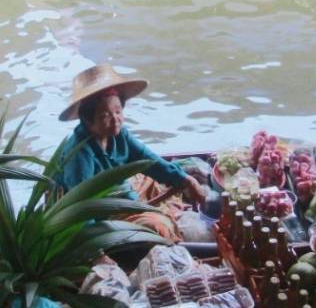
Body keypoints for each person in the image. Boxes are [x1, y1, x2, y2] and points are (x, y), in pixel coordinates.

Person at [55, 65, 207, 236]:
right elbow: (81, 209)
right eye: (105, 116)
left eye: (118, 111)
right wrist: (97, 252)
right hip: (103, 213)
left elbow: (146, 159)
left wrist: (187, 181)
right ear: (87, 120)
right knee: (159, 228)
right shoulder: (79, 156)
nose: (115, 120)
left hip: (122, 193)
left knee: (181, 174)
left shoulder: (119, 135)